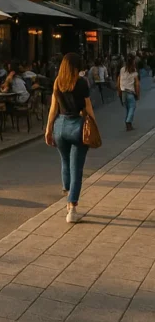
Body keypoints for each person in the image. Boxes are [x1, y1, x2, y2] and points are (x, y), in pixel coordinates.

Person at [45, 53, 95, 224]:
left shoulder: (57, 82)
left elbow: (53, 108)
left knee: (65, 162)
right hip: (77, 125)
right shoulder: (82, 82)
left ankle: (68, 193)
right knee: (77, 169)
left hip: (60, 126)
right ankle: (72, 207)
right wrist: (94, 125)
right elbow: (88, 107)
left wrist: (48, 129)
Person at [118, 56, 141, 131]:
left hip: (123, 92)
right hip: (130, 92)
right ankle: (128, 121)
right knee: (132, 107)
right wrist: (138, 94)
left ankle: (129, 124)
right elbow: (137, 84)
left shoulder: (122, 70)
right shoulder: (134, 72)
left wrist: (119, 91)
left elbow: (119, 80)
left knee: (128, 108)